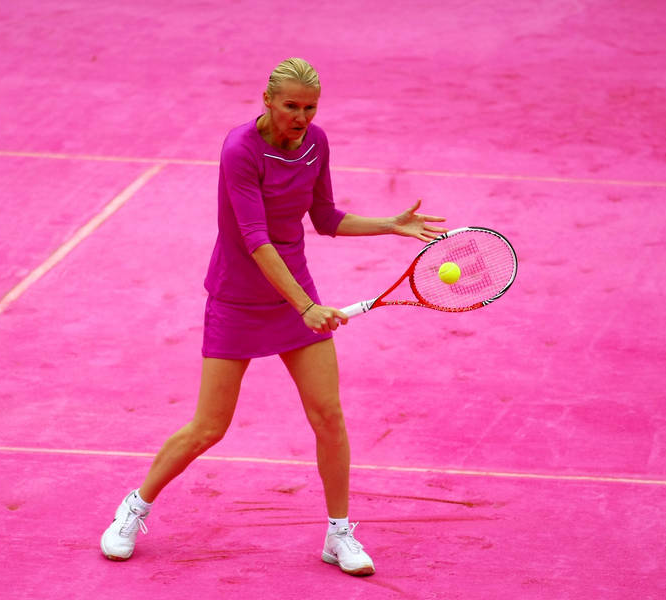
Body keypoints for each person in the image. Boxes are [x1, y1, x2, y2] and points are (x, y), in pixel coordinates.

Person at [100, 57, 446, 576]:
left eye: (309, 107)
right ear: (267, 102)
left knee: (328, 416)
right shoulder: (240, 150)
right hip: (239, 300)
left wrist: (390, 225)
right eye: (291, 106)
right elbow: (255, 239)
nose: (301, 117)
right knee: (208, 428)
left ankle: (338, 533)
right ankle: (135, 507)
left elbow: (325, 217)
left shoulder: (316, 143)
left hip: (295, 296)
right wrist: (305, 307)